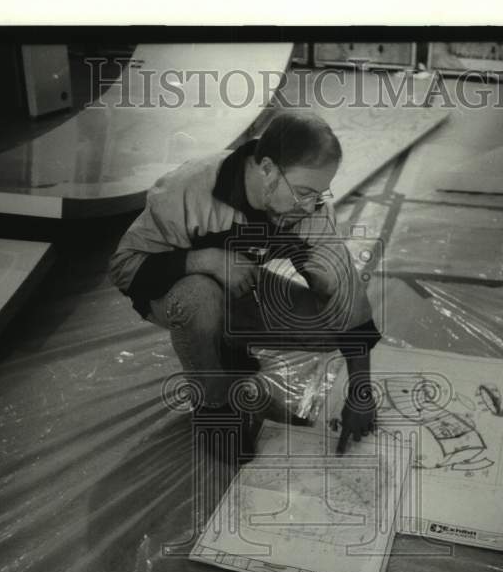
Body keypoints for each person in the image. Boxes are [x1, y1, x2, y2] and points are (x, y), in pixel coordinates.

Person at [108, 110, 381, 461]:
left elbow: (343, 292)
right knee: (200, 298)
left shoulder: (307, 211)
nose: (311, 205)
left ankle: (228, 347)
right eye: (302, 191)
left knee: (330, 327)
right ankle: (213, 405)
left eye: (319, 193)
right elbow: (124, 268)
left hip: (238, 286)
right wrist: (206, 260)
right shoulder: (186, 189)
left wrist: (360, 391)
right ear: (266, 168)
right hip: (175, 291)